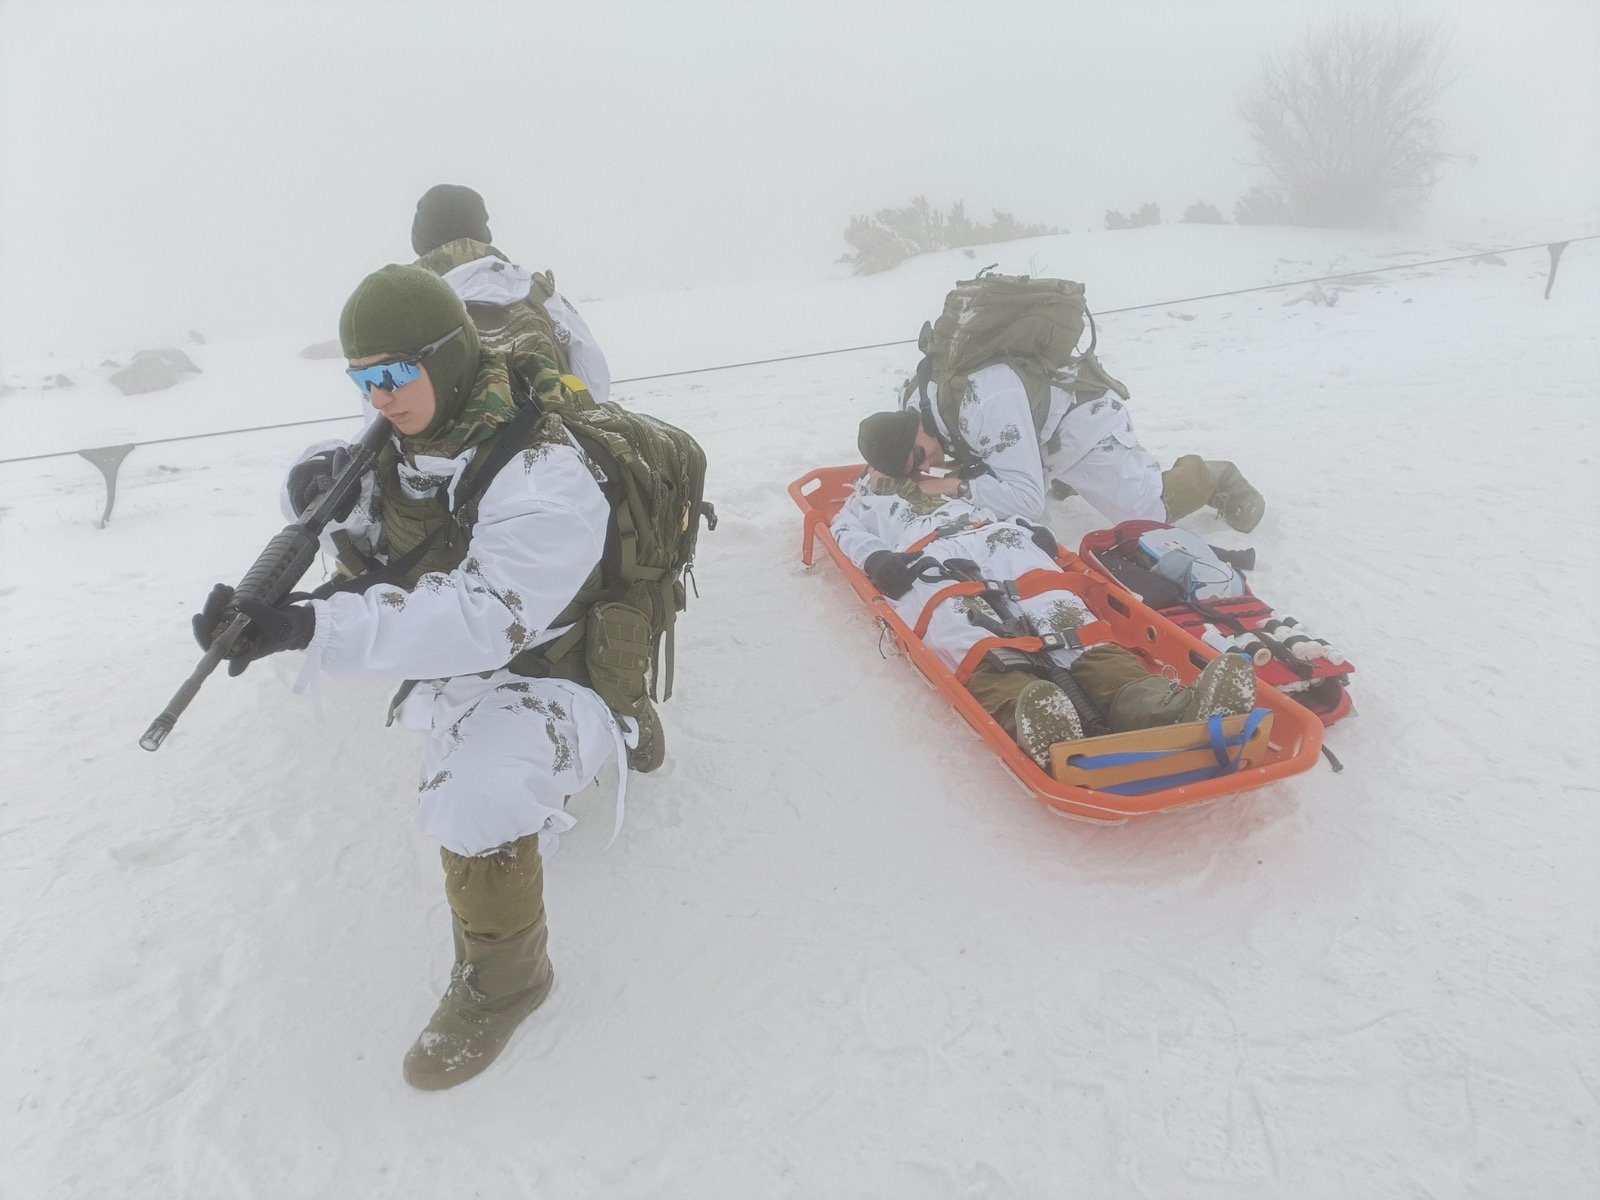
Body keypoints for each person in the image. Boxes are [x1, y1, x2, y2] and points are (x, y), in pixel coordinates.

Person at [192, 265, 659, 1090]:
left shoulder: (544, 472)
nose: (378, 397)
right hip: (471, 659)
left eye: (394, 374)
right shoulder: (418, 434)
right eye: (362, 379)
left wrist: (307, 625)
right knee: (475, 763)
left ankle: (510, 983)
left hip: (557, 661)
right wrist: (285, 565)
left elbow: (480, 615)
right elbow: (395, 532)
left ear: (445, 359)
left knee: (475, 797)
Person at [831, 463, 1258, 766]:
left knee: (1066, 617)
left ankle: (1163, 707)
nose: (894, 474)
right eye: (878, 468)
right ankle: (1035, 716)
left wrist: (1023, 526)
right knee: (970, 633)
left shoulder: (937, 483)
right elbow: (844, 533)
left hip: (999, 543)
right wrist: (875, 560)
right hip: (923, 561)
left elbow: (991, 505)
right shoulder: (860, 507)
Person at [856, 360, 1265, 533]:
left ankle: (1215, 478)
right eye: (912, 469)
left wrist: (950, 486)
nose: (923, 469)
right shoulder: (915, 404)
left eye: (918, 458)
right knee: (994, 486)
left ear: (914, 428)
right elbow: (897, 453)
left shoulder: (984, 404)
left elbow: (1030, 503)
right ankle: (1057, 476)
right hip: (1031, 432)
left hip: (1081, 424)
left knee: (1143, 515)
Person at [410, 183, 612, 402]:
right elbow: (594, 380)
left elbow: (381, 405)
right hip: (549, 432)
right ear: (484, 233)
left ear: (420, 241)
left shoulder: (401, 307)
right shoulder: (535, 292)